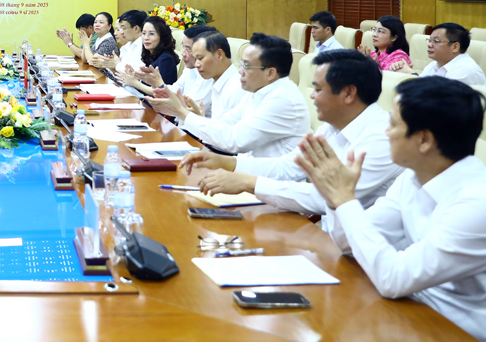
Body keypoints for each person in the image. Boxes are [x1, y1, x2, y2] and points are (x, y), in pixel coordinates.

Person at [296, 77, 486, 341]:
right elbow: (348, 243)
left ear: (424, 140)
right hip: (409, 310)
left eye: (393, 124)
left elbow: (393, 279)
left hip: (454, 330)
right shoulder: (412, 176)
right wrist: (334, 197)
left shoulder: (477, 204)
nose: (385, 132)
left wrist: (345, 199)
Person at [179, 50, 403, 230]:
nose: (311, 95)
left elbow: (325, 198)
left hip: (366, 253)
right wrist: (228, 162)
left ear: (348, 93)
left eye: (318, 89)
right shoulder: (333, 126)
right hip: (332, 238)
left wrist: (249, 183)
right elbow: (289, 165)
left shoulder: (381, 139)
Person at [148, 33, 310, 158]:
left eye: (246, 66)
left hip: (269, 185)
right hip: (248, 173)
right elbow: (223, 125)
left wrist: (181, 112)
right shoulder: (257, 92)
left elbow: (234, 140)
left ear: (270, 73)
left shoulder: (282, 100)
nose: (240, 71)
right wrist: (186, 114)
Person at [148, 30, 244, 120]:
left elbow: (224, 130)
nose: (197, 64)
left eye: (200, 58)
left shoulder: (236, 88)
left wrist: (182, 111)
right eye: (196, 59)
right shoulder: (217, 80)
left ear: (219, 54)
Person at [390, 22, 486, 85]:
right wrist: (403, 72)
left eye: (436, 41)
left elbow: (438, 98)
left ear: (455, 47)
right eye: (429, 40)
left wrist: (410, 73)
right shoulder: (434, 65)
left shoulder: (466, 70)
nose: (429, 45)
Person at [120, 15, 180, 92]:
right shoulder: (151, 55)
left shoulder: (166, 59)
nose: (146, 38)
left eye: (151, 34)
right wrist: (135, 77)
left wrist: (136, 83)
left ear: (162, 36)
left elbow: (164, 92)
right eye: (144, 33)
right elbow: (147, 84)